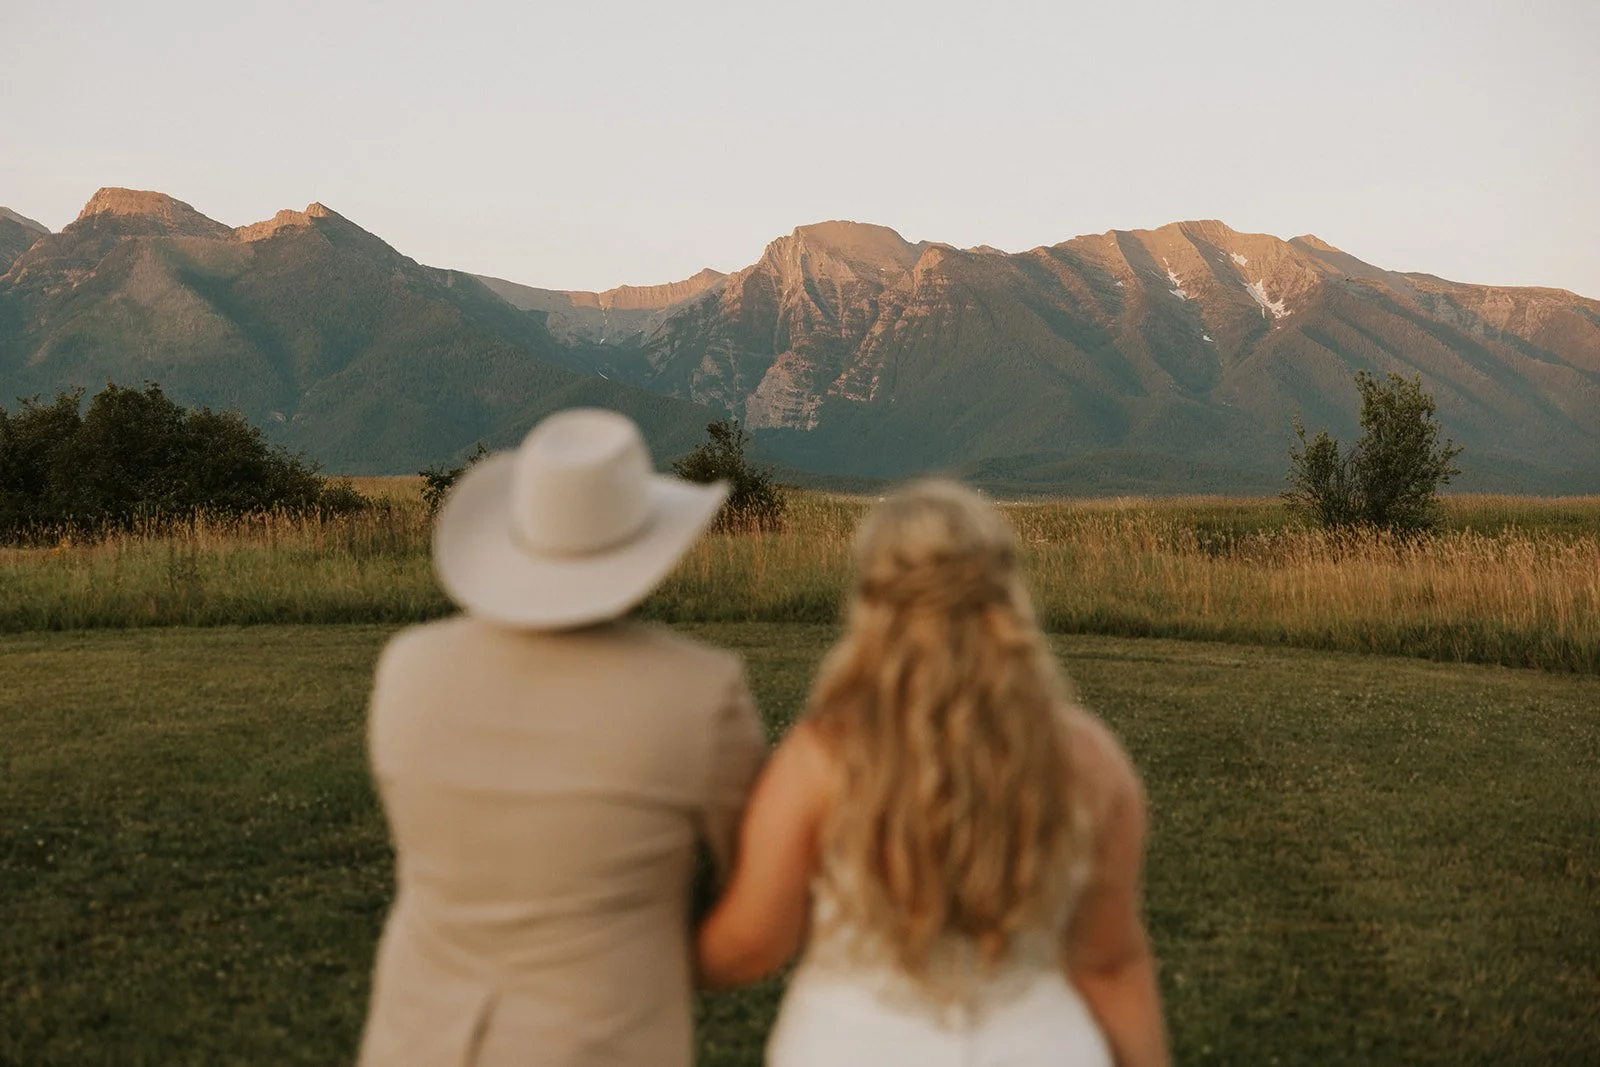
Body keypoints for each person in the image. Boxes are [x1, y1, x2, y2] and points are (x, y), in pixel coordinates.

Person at [695, 480, 1170, 1067]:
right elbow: (1111, 963)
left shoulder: (824, 757)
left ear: (874, 600)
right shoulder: (1087, 759)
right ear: (1004, 595)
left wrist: (638, 945)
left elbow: (752, 943)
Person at [358, 409, 767, 1067]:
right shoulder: (700, 693)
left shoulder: (408, 666)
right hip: (600, 1041)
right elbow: (750, 881)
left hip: (416, 1036)